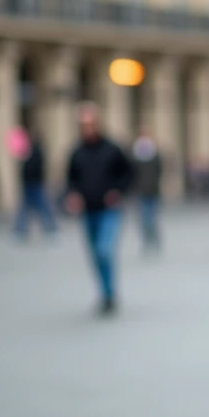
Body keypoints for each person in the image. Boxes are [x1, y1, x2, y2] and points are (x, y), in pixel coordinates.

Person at [65, 103, 132, 315]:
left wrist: (118, 191)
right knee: (95, 254)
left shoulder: (112, 149)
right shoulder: (77, 152)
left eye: (90, 123)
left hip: (108, 210)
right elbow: (71, 179)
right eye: (84, 124)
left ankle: (109, 292)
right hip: (88, 210)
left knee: (104, 250)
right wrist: (73, 195)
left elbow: (127, 174)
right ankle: (105, 293)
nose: (88, 128)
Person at [14, 132, 56, 241]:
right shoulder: (27, 152)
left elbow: (38, 168)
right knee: (25, 209)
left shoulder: (38, 152)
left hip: (36, 183)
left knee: (43, 207)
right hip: (28, 184)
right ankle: (20, 230)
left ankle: (50, 229)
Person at [130, 129, 163, 253]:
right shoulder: (135, 154)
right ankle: (147, 240)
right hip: (141, 191)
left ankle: (153, 239)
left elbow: (159, 171)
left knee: (151, 217)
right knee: (143, 218)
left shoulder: (154, 154)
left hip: (153, 191)